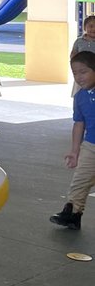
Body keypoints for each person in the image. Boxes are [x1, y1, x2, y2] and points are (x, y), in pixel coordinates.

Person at [50, 50, 95, 231]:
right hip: (91, 145)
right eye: (75, 73)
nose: (79, 77)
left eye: (83, 72)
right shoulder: (80, 97)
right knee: (80, 180)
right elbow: (79, 124)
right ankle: (72, 213)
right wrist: (75, 151)